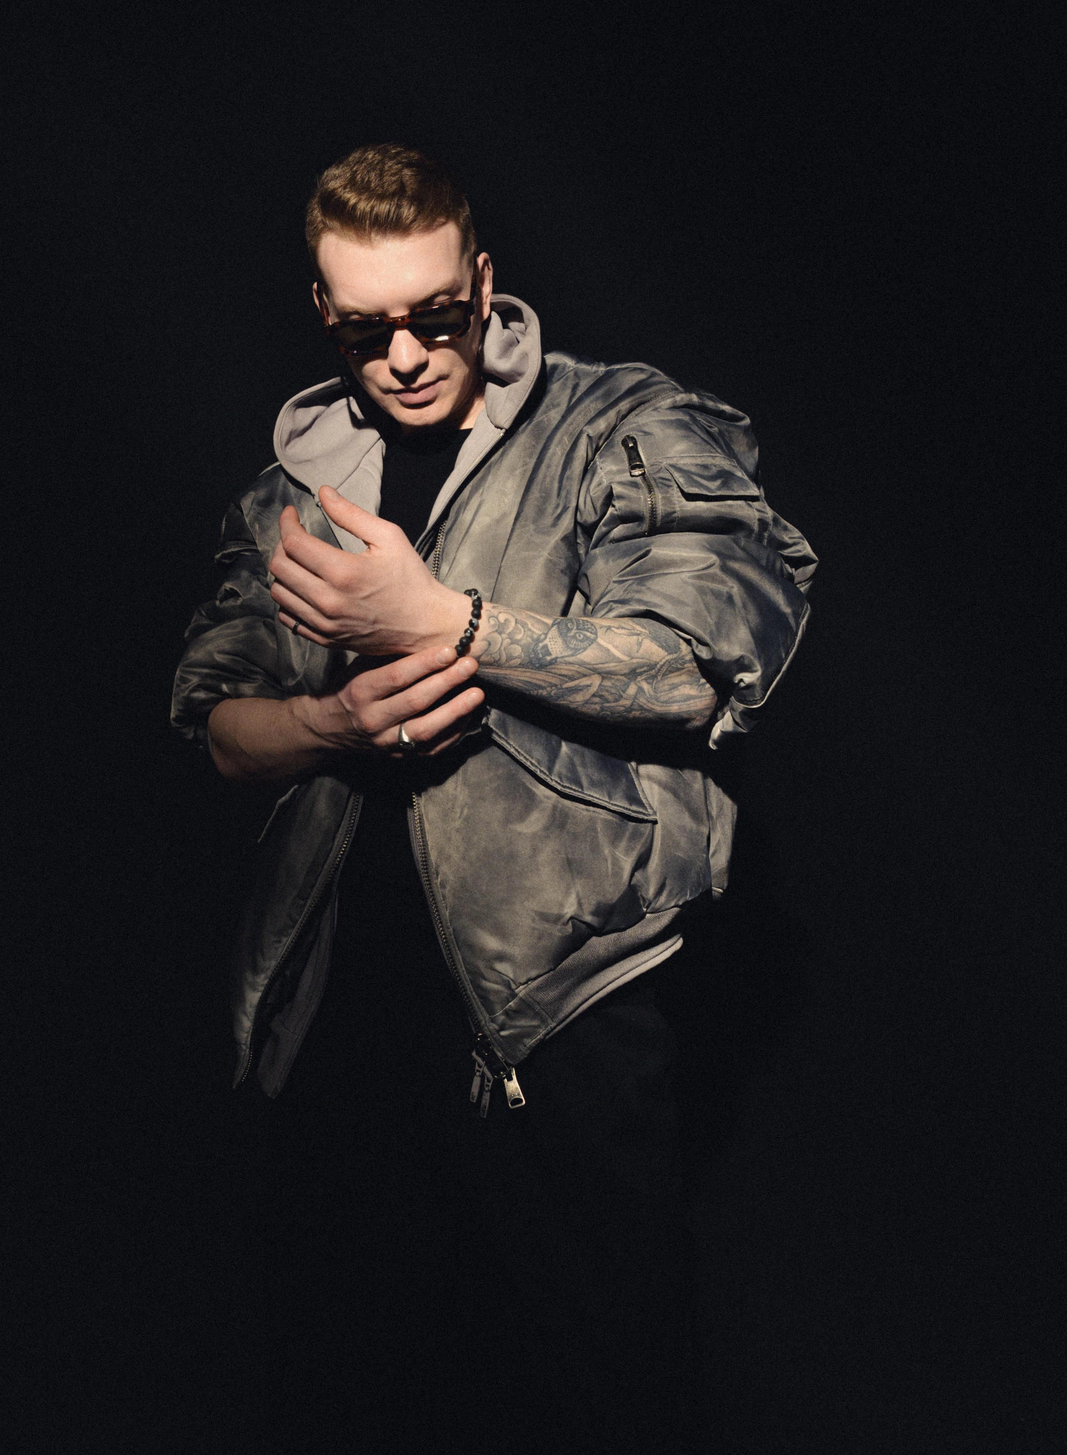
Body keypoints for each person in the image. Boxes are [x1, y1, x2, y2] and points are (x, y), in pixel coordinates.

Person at [172, 143, 816, 1447]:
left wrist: (443, 620)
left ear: (482, 281)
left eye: (437, 315)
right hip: (336, 1019)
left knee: (605, 1391)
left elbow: (699, 668)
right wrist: (330, 721)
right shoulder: (298, 484)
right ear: (323, 313)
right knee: (354, 1393)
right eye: (367, 330)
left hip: (559, 1015)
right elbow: (216, 724)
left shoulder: (618, 428)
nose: (407, 356)